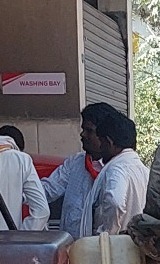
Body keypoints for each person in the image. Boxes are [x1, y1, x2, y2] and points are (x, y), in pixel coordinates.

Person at [45, 102, 147, 239]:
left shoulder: (115, 168)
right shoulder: (75, 163)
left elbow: (115, 202)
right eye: (83, 129)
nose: (82, 134)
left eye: (89, 131)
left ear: (106, 138)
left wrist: (106, 235)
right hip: (79, 246)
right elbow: (47, 190)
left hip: (106, 247)